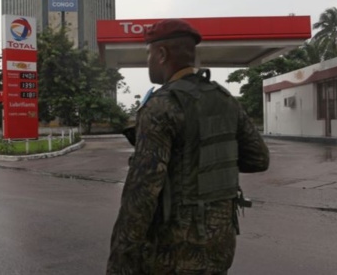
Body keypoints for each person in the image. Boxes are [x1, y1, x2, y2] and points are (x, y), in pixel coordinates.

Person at [106, 19, 270, 275]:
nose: (148, 61)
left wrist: (120, 260)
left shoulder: (161, 106)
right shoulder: (225, 99)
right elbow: (258, 159)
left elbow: (142, 192)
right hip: (220, 246)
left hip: (172, 253)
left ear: (161, 54)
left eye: (149, 54)